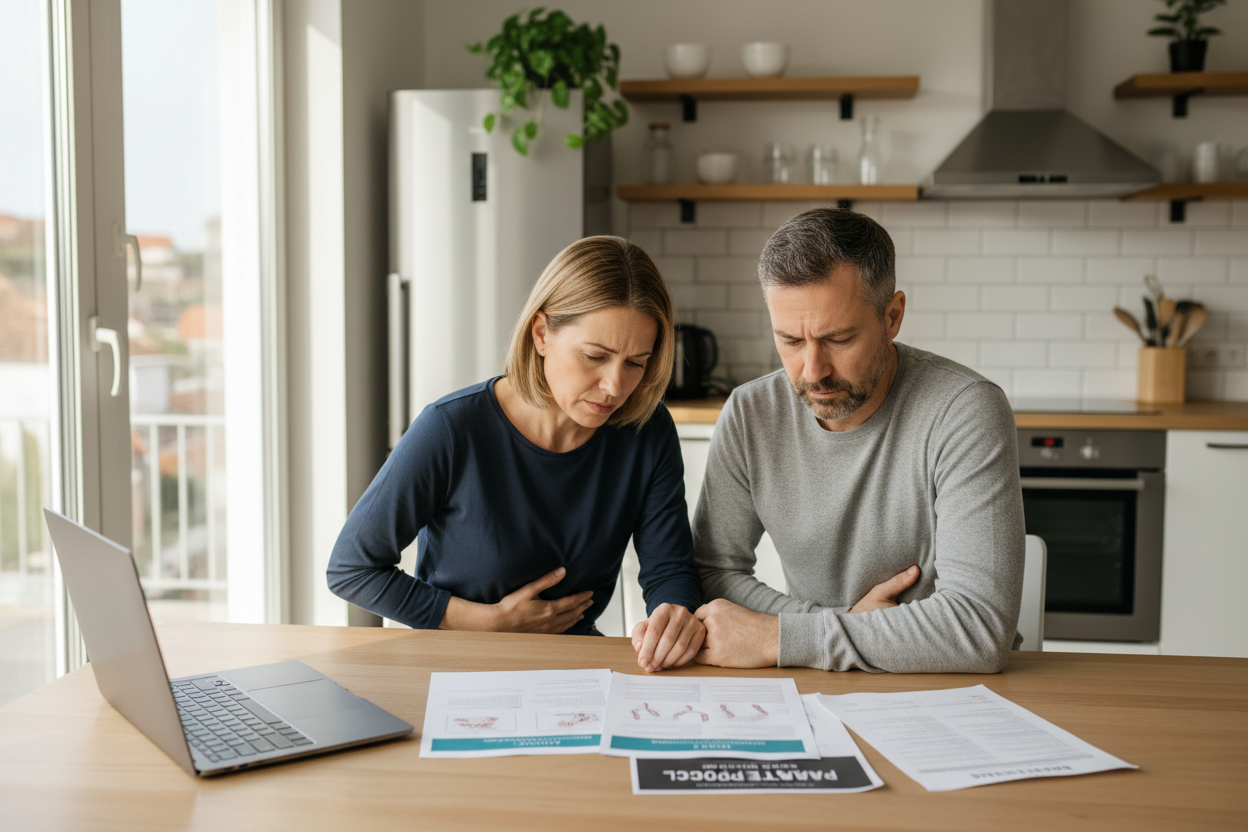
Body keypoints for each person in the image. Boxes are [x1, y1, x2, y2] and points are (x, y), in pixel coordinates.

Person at [327, 236, 705, 672]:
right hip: (456, 663)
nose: (615, 387)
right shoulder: (451, 428)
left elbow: (668, 571)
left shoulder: (646, 429)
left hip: (575, 666)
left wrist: (674, 614)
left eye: (636, 363)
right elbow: (352, 568)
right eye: (595, 356)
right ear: (541, 333)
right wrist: (488, 622)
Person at [691, 208, 1024, 674]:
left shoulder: (965, 410)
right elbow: (711, 573)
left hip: (946, 686)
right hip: (814, 683)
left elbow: (977, 629)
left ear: (892, 316)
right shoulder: (750, 413)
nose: (812, 371)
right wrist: (841, 626)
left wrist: (781, 636)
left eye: (839, 339)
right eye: (789, 340)